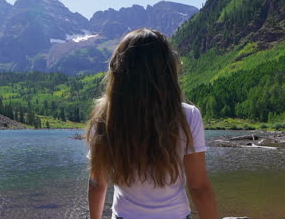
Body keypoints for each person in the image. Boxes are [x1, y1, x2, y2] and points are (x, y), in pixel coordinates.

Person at [86, 28, 218, 219]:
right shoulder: (188, 115)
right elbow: (199, 187)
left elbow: (98, 183)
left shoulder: (105, 118)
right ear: (167, 70)